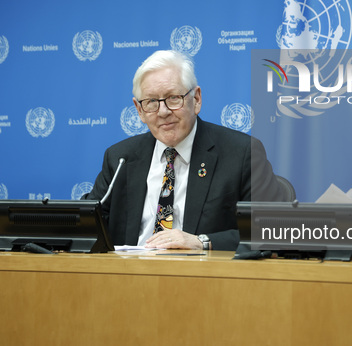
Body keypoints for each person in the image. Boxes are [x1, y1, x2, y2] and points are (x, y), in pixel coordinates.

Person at [84, 50, 283, 251]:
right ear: (139, 110)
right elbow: (87, 225)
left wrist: (202, 241)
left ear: (196, 99)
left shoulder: (241, 153)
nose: (163, 112)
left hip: (205, 277)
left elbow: (272, 228)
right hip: (130, 276)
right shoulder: (120, 158)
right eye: (151, 102)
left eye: (173, 98)